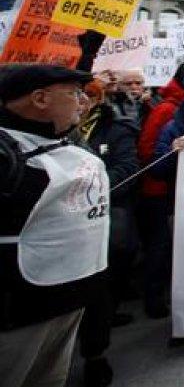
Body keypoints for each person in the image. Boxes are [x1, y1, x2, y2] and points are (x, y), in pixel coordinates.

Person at [0, 66, 109, 387]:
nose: (83, 102)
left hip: (72, 295)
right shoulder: (8, 152)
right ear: (40, 98)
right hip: (22, 308)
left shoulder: (61, 139)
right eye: (74, 93)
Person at [71, 81, 141, 386]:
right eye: (75, 96)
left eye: (84, 96)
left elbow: (128, 166)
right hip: (55, 236)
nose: (80, 102)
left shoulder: (116, 129)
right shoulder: (41, 139)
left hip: (101, 219)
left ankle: (95, 355)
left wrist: (92, 190)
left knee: (97, 287)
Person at [134, 60, 184, 319]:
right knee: (163, 248)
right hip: (165, 193)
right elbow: (149, 152)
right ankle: (156, 300)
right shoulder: (168, 112)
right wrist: (173, 152)